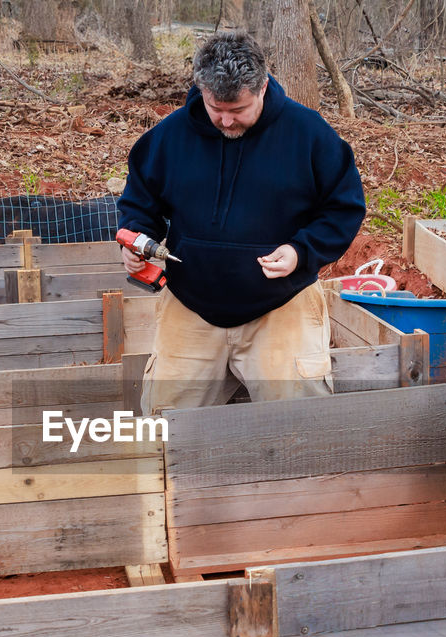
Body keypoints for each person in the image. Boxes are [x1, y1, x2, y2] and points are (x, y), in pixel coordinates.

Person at [117, 31, 366, 414]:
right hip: (191, 305)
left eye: (238, 109)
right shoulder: (170, 136)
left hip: (281, 305)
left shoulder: (309, 134)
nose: (227, 120)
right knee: (164, 431)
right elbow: (139, 202)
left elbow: (344, 207)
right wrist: (136, 241)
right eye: (217, 108)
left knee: (300, 430)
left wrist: (300, 251)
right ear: (201, 88)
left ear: (263, 87)